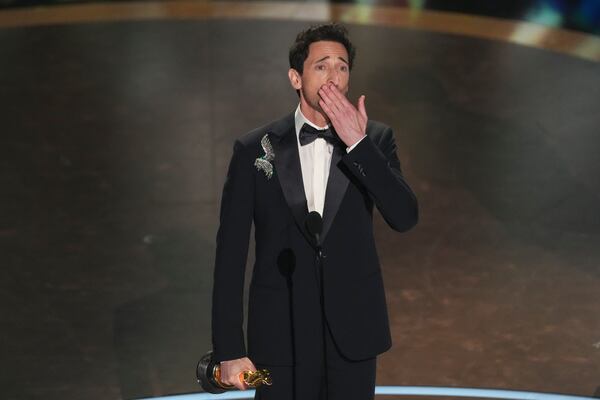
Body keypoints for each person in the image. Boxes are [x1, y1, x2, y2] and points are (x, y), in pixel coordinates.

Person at [210, 23, 418, 400]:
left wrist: (358, 144)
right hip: (278, 344)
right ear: (296, 77)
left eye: (342, 67)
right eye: (321, 66)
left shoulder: (376, 140)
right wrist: (229, 349)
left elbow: (404, 217)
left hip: (353, 339)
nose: (333, 77)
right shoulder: (254, 149)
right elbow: (231, 254)